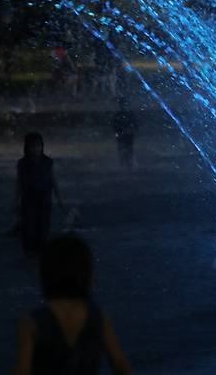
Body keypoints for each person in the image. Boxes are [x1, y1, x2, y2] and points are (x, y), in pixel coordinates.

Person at [13, 235, 131, 375]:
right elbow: (121, 366)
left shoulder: (30, 322)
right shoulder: (98, 319)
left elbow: (21, 370)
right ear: (86, 274)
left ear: (45, 274)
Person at [14, 133, 66, 252]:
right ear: (27, 148)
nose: (36, 149)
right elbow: (19, 183)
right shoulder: (22, 163)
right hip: (28, 200)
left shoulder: (48, 162)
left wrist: (60, 199)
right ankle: (29, 253)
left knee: (43, 229)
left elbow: (53, 181)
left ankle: (40, 252)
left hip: (44, 199)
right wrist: (15, 201)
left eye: (38, 145)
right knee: (28, 230)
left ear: (42, 146)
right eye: (32, 146)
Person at [111, 97, 138, 170]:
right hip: (123, 134)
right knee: (123, 149)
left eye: (124, 104)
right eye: (123, 104)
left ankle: (127, 164)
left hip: (127, 134)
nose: (124, 106)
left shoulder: (128, 114)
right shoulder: (120, 115)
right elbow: (114, 125)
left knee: (127, 149)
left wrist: (132, 130)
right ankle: (124, 163)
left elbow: (135, 124)